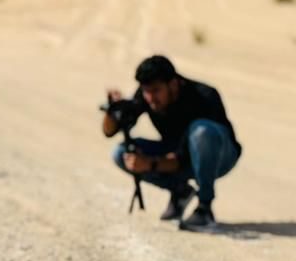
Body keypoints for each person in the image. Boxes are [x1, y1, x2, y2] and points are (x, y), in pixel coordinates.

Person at [103, 55, 241, 231]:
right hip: (177, 153)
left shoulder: (204, 96)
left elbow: (181, 161)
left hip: (219, 156)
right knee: (121, 153)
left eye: (155, 91)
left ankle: (205, 208)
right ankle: (180, 191)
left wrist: (149, 164)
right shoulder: (147, 96)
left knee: (202, 133)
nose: (150, 97)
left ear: (173, 84)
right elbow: (110, 131)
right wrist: (113, 110)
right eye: (146, 91)